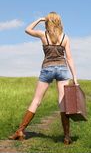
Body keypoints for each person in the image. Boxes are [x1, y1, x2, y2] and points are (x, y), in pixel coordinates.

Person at [9, 12, 78, 145]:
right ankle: (67, 137)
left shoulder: (43, 35)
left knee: (36, 101)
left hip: (47, 69)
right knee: (63, 103)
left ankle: (20, 131)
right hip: (62, 69)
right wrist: (75, 77)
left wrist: (39, 20)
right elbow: (69, 57)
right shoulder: (65, 37)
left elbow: (27, 30)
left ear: (48, 21)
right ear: (59, 22)